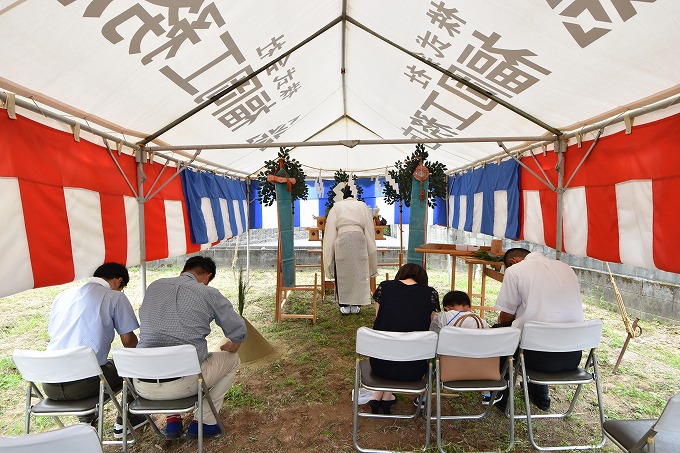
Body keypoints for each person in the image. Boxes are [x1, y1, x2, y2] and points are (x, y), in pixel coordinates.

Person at [136, 256, 247, 439]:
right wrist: (233, 346)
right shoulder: (208, 293)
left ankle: (173, 420)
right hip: (184, 382)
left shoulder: (154, 286)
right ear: (207, 276)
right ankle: (204, 421)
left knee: (164, 357)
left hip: (143, 383)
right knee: (232, 360)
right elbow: (237, 330)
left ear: (184, 270)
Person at [44, 262, 146, 438]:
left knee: (85, 363)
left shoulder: (62, 296)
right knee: (129, 361)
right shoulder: (114, 297)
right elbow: (129, 342)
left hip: (49, 384)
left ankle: (86, 418)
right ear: (118, 281)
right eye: (122, 288)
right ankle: (126, 420)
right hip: (84, 385)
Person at [494, 247, 584, 412]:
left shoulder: (515, 271)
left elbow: (506, 317)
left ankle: (502, 397)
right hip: (572, 356)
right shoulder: (566, 268)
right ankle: (542, 398)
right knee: (538, 334)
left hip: (535, 357)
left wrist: (504, 322)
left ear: (512, 262)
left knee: (501, 333)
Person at [369, 263, 440, 414]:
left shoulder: (384, 287)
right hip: (413, 368)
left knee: (389, 338)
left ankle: (379, 396)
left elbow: (381, 322)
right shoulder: (430, 293)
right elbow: (428, 327)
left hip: (380, 364)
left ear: (400, 275)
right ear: (423, 279)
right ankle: (385, 397)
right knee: (409, 340)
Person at [430, 291, 495, 405]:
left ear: (446, 307)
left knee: (431, 360)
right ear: (468, 307)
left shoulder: (444, 316)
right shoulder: (480, 321)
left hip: (450, 367)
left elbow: (432, 332)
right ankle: (486, 393)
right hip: (478, 368)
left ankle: (424, 398)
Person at [323, 183, 378, 315]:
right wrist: (370, 247)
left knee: (343, 271)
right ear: (355, 195)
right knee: (359, 271)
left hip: (342, 238)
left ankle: (345, 305)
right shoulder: (362, 205)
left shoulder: (336, 206)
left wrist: (329, 255)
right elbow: (369, 227)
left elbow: (330, 230)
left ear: (343, 195)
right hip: (359, 238)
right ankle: (356, 304)